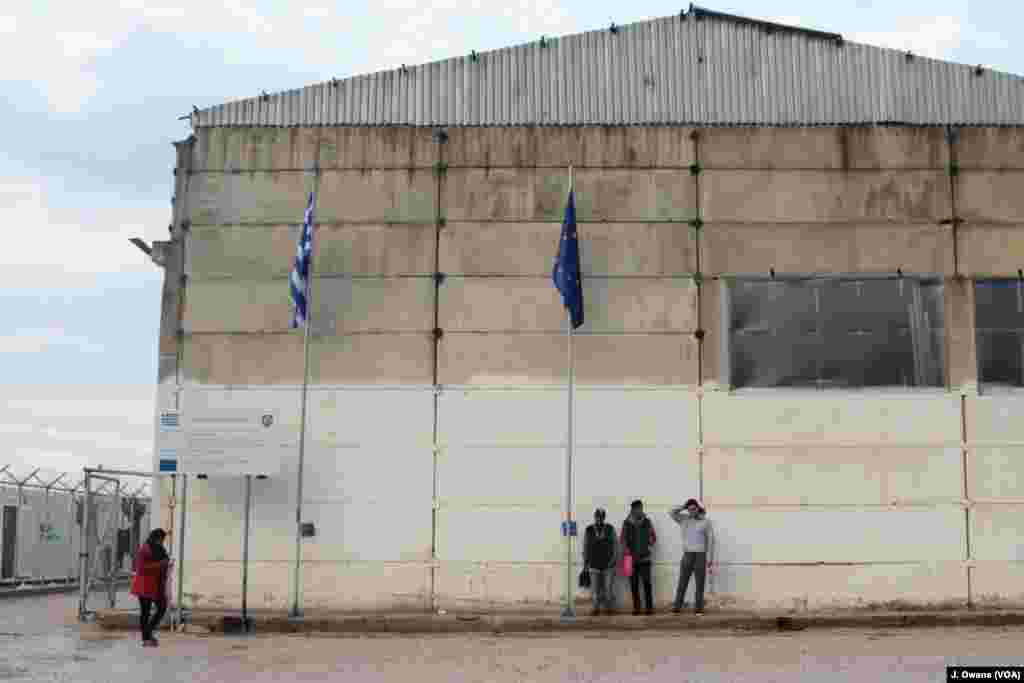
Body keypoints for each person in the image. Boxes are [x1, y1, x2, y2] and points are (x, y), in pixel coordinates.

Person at [669, 498, 716, 615]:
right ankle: (677, 607)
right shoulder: (683, 519)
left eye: (694, 509)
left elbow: (711, 541)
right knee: (682, 582)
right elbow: (671, 512)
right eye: (689, 509)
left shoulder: (706, 522)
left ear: (698, 509)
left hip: (700, 555)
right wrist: (683, 507)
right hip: (687, 554)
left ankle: (698, 608)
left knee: (700, 583)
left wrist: (710, 559)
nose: (692, 511)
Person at [130, 528, 171, 647]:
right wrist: (161, 564)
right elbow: (141, 568)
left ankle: (148, 632)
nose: (161, 542)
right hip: (144, 585)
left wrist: (166, 564)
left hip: (156, 585)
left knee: (162, 607)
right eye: (160, 539)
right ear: (155, 538)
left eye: (162, 540)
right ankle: (146, 638)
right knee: (145, 612)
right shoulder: (145, 549)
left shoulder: (160, 549)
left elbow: (164, 560)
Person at [621, 500, 657, 615]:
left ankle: (649, 608)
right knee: (634, 585)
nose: (639, 511)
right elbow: (622, 539)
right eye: (636, 509)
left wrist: (651, 540)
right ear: (632, 510)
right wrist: (626, 550)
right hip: (631, 559)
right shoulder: (626, 523)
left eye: (640, 508)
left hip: (645, 558)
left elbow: (653, 537)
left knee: (647, 584)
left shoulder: (648, 522)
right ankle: (636, 608)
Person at [583, 508, 617, 616]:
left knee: (608, 590)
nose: (599, 519)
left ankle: (608, 609)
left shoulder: (610, 528)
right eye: (597, 517)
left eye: (601, 517)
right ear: (594, 517)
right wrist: (585, 562)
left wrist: (614, 559)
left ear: (604, 518)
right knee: (594, 590)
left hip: (608, 565)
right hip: (593, 564)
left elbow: (616, 544)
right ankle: (595, 608)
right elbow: (585, 546)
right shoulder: (588, 529)